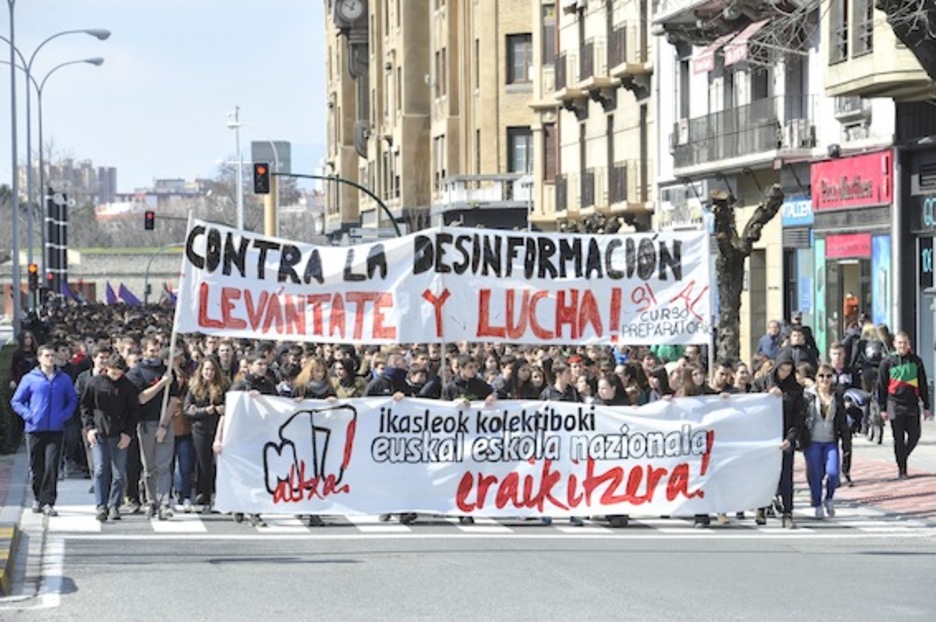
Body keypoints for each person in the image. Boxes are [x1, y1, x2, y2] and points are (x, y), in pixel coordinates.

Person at [11, 344, 78, 516]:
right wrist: (29, 415)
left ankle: (48, 501)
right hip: (34, 429)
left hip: (56, 429)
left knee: (51, 466)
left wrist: (64, 415)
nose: (50, 359)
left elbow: (72, 400)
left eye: (52, 356)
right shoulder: (29, 378)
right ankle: (37, 497)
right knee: (36, 466)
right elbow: (17, 401)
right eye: (47, 356)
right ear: (39, 358)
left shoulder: (63, 379)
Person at [126, 338, 182, 521]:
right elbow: (141, 398)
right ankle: (151, 500)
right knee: (149, 467)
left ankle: (165, 502)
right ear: (144, 351)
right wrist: (161, 384)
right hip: (145, 424)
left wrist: (164, 425)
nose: (155, 354)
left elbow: (173, 400)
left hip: (163, 423)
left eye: (157, 350)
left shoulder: (168, 371)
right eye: (151, 350)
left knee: (164, 465)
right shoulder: (136, 373)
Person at [80, 354, 138, 522]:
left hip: (120, 433)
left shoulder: (127, 386)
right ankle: (101, 505)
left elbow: (133, 411)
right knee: (100, 470)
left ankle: (114, 505)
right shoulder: (94, 383)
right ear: (107, 369)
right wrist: (89, 428)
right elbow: (85, 407)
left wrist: (128, 433)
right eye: (113, 373)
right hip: (99, 432)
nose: (116, 377)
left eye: (119, 373)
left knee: (119, 473)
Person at [876, 331, 933, 479]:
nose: (902, 346)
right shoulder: (887, 362)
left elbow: (922, 384)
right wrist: (882, 408)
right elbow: (881, 386)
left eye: (905, 343)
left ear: (909, 344)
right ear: (895, 344)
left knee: (915, 435)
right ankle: (902, 469)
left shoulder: (916, 361)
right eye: (900, 343)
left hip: (912, 404)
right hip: (894, 403)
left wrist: (927, 406)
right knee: (898, 438)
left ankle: (902, 456)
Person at [762, 351, 807, 528]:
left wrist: (791, 438)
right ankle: (762, 507)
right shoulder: (763, 383)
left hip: (785, 437)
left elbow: (798, 417)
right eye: (782, 370)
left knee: (786, 476)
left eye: (788, 370)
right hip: (765, 437)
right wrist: (767, 393)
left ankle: (788, 512)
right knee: (764, 474)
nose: (784, 374)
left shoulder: (795, 389)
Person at [803, 364, 852, 519]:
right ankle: (817, 503)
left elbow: (842, 421)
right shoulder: (808, 395)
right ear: (816, 378)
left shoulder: (837, 395)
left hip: (830, 441)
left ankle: (829, 498)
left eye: (829, 376)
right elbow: (802, 418)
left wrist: (846, 442)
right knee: (816, 474)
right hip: (813, 441)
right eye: (821, 376)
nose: (825, 379)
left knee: (833, 473)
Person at [184, 356, 229, 514]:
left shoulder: (223, 386)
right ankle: (206, 497)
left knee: (220, 465)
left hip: (219, 430)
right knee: (204, 466)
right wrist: (203, 411)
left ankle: (220, 496)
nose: (209, 373)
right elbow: (187, 410)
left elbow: (229, 405)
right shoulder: (194, 387)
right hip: (200, 430)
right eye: (206, 369)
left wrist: (222, 408)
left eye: (212, 370)